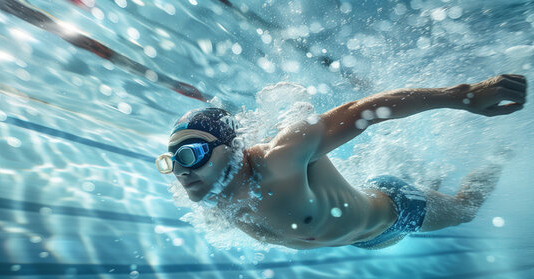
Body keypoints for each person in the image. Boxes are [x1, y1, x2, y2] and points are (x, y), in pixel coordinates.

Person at [156, 74, 527, 250]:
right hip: (366, 241)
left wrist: (460, 95)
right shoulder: (213, 203)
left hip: (398, 210)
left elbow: (362, 110)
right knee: (423, 192)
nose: (183, 171)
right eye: (172, 162)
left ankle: (499, 156)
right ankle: (427, 175)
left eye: (191, 153)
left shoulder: (280, 158)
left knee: (465, 210)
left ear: (230, 147)